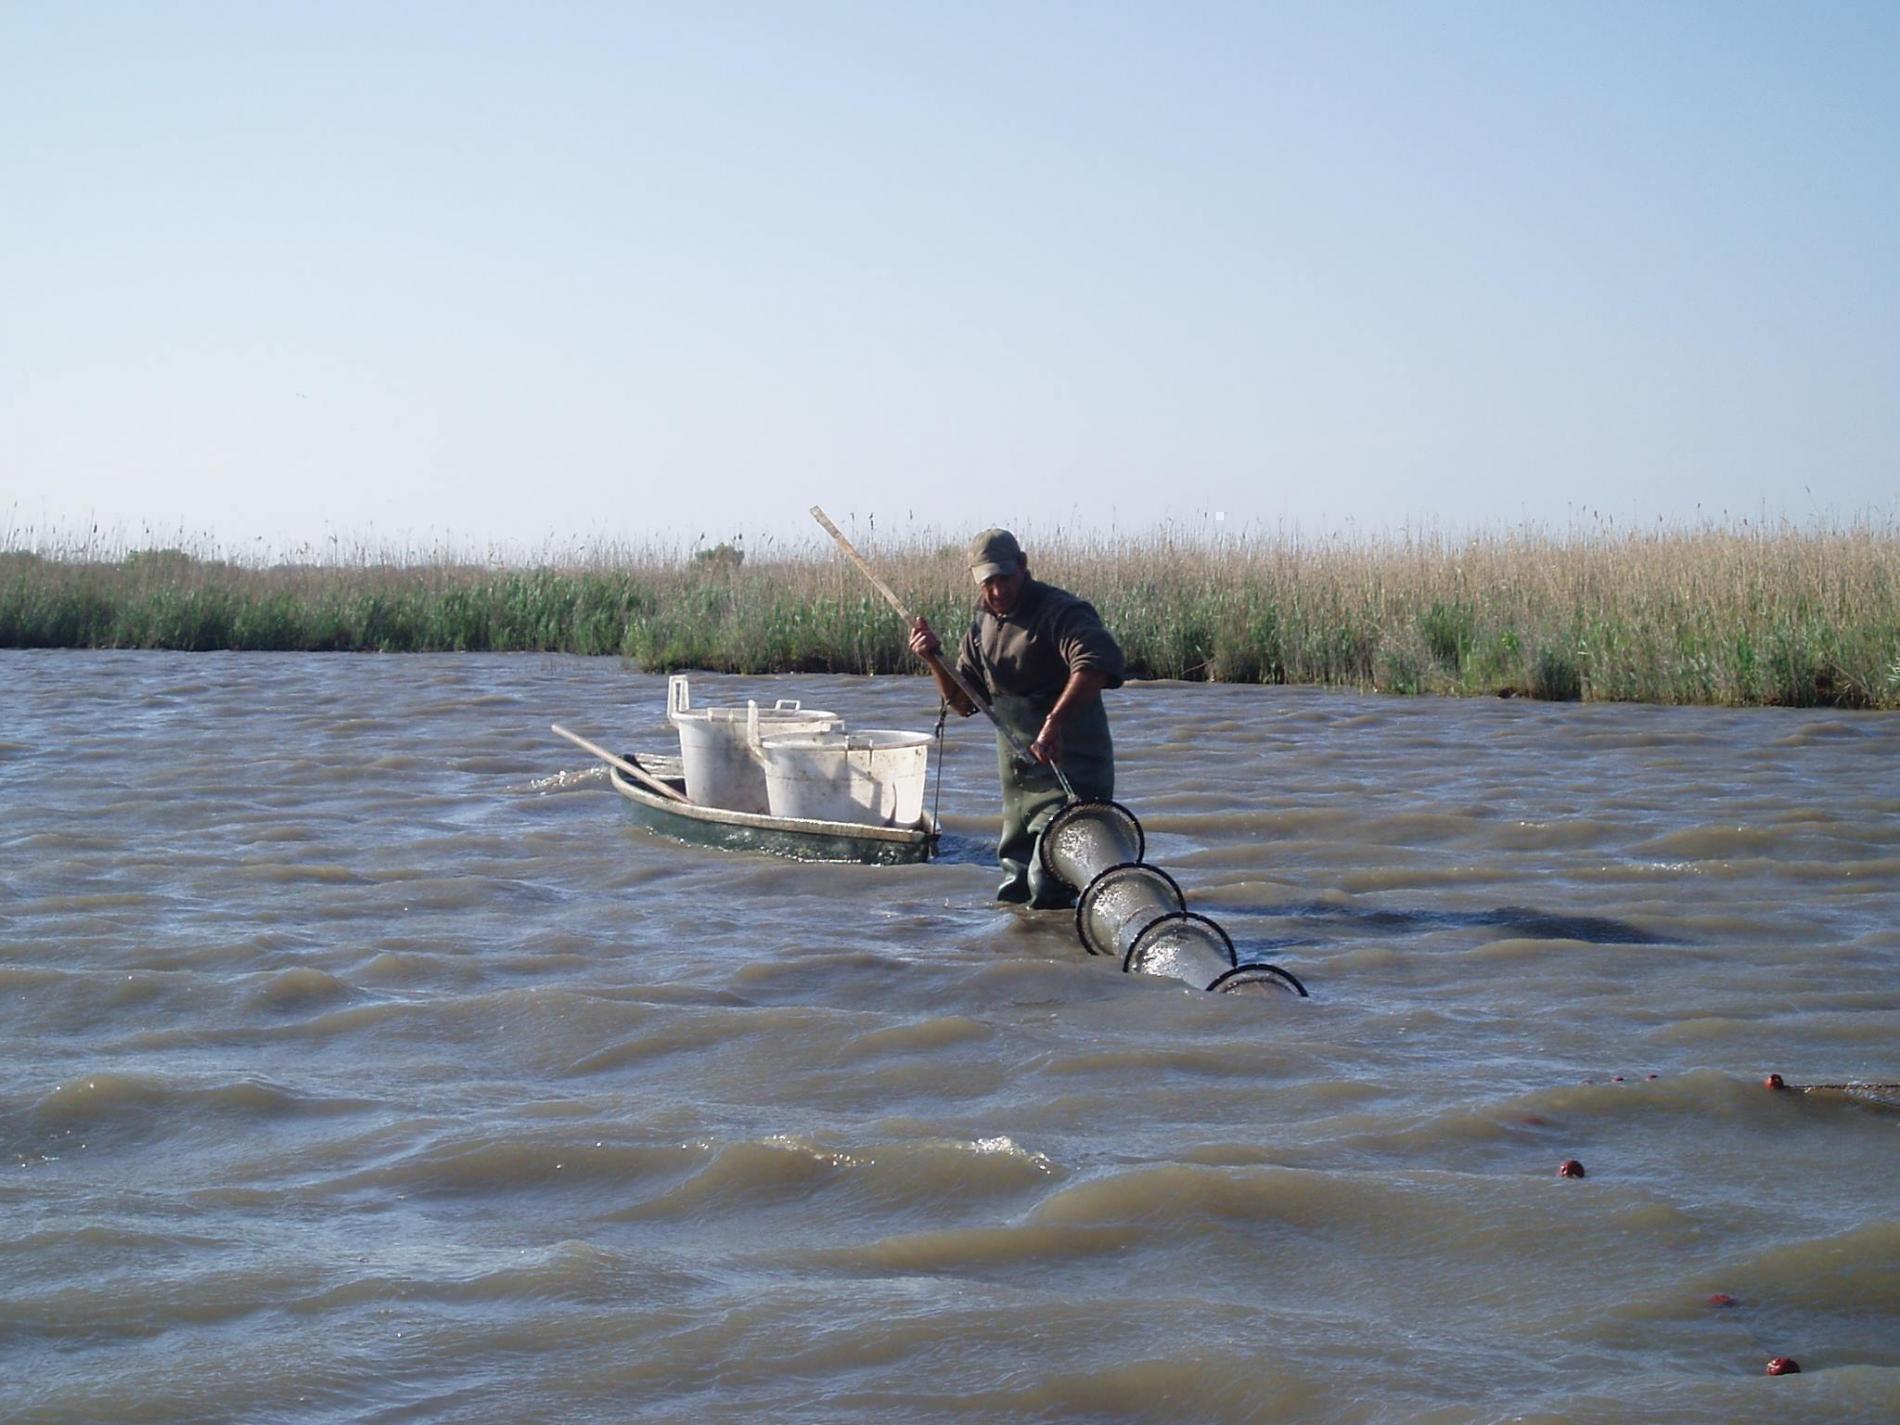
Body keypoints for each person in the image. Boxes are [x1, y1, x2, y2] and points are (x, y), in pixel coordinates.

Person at [909, 528, 1125, 908]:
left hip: (1069, 767)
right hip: (1019, 784)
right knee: (1015, 881)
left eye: (1003, 578)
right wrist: (934, 658)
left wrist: (1054, 724)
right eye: (987, 582)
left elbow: (1094, 666)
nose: (996, 591)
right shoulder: (980, 629)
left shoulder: (1061, 612)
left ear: (1023, 566)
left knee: (1050, 877)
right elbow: (964, 702)